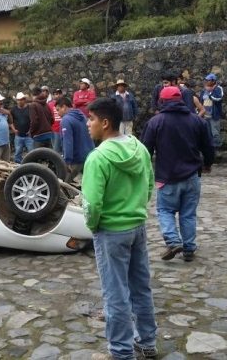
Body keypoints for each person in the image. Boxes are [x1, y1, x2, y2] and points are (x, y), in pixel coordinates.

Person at [82, 97, 157, 360]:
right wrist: (136, 209)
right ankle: (147, 342)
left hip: (111, 231)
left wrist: (93, 226)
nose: (87, 124)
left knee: (115, 295)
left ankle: (122, 352)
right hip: (137, 226)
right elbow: (149, 185)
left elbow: (92, 204)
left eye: (91, 119)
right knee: (140, 288)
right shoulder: (139, 148)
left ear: (105, 123)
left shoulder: (98, 158)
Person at [141, 86, 214, 262]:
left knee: (165, 210)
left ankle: (173, 241)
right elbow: (208, 147)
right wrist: (208, 164)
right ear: (180, 99)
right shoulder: (197, 121)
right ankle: (189, 249)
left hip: (167, 177)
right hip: (192, 176)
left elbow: (145, 150)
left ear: (162, 101)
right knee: (188, 213)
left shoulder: (155, 122)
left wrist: (143, 171)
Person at [54, 97, 94, 184]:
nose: (57, 113)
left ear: (64, 107)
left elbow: (67, 142)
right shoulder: (82, 115)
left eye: (58, 110)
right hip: (89, 155)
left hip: (76, 159)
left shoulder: (66, 120)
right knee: (89, 182)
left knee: (61, 184)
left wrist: (67, 161)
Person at [199, 73, 224, 153]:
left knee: (215, 133)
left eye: (208, 80)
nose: (206, 81)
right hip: (205, 115)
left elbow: (219, 98)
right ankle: (209, 150)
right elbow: (201, 101)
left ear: (213, 81)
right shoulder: (204, 90)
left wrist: (210, 94)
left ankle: (217, 150)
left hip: (214, 115)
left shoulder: (218, 89)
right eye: (206, 80)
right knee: (207, 133)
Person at [11, 92, 33, 163]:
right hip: (18, 136)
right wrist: (14, 129)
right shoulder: (14, 109)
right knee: (17, 153)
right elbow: (10, 121)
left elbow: (34, 120)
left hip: (29, 136)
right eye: (18, 100)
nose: (20, 101)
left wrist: (30, 130)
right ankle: (18, 168)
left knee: (32, 153)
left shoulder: (30, 108)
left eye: (21, 99)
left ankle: (32, 166)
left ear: (24, 100)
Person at [49, 89, 64, 153]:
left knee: (64, 148)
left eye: (58, 94)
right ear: (53, 95)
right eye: (55, 94)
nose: (57, 96)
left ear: (61, 95)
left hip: (64, 129)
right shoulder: (50, 105)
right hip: (54, 129)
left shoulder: (65, 103)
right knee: (56, 149)